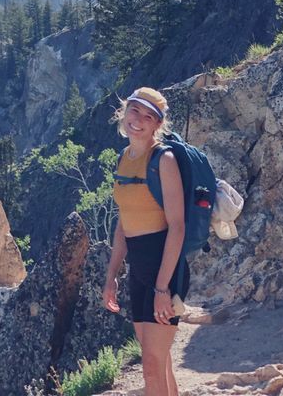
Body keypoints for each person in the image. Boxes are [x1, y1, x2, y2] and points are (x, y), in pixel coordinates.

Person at [102, 87, 189, 396]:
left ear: (157, 125)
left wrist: (163, 288)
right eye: (134, 111)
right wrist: (112, 276)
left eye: (147, 116)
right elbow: (123, 223)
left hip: (164, 266)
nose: (137, 120)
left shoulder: (163, 160)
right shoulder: (124, 158)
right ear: (124, 112)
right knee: (158, 362)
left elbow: (177, 227)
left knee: (151, 365)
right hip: (138, 268)